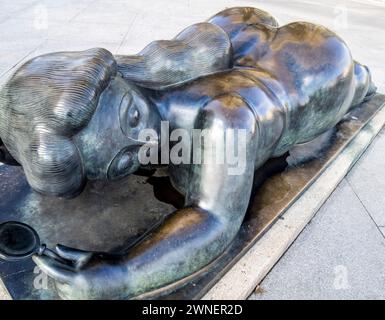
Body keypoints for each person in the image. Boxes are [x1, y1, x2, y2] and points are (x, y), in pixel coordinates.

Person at [0, 7, 375, 299]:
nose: (148, 144)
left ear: (119, 79)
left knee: (358, 82)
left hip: (318, 62)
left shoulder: (225, 117)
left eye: (132, 116)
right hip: (245, 35)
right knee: (230, 23)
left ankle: (361, 83)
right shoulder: (174, 62)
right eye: (125, 162)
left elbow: (214, 219)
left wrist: (120, 275)